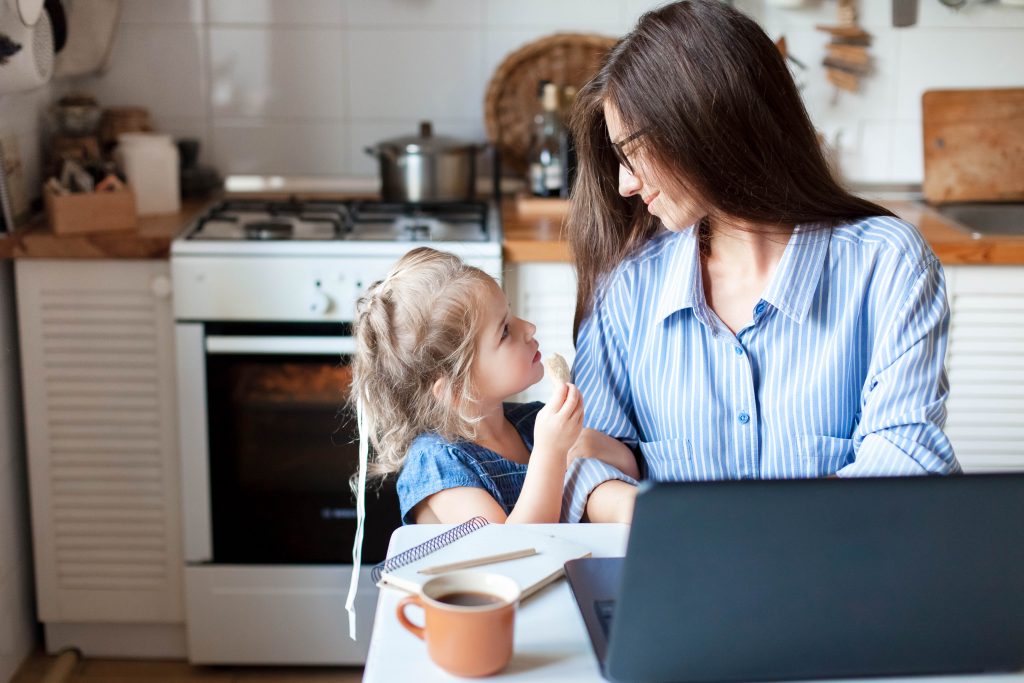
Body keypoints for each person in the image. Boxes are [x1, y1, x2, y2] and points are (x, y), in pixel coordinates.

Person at [560, 0, 961, 524]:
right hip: (680, 583)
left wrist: (735, 530)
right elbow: (583, 461)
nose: (625, 184)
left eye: (634, 151)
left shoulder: (887, 265)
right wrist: (697, 527)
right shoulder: (626, 287)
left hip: (844, 583)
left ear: (708, 124)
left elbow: (909, 461)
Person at [350, 246, 638, 525]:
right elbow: (508, 551)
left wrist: (594, 444)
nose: (528, 328)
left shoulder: (531, 423)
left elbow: (628, 473)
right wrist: (550, 452)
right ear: (456, 387)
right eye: (504, 331)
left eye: (510, 313)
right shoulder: (438, 463)